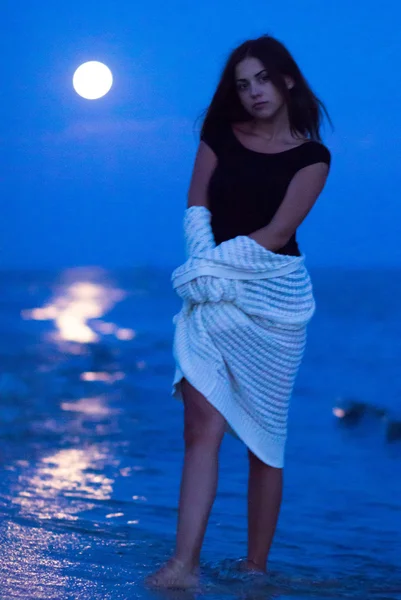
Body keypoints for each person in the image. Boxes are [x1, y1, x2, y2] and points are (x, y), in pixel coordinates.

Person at [147, 34, 332, 589]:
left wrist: (213, 271)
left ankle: (255, 568)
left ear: (287, 80)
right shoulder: (218, 136)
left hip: (273, 302)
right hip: (211, 297)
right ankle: (184, 565)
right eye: (242, 83)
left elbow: (278, 234)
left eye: (263, 80)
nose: (253, 92)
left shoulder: (313, 157)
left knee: (264, 441)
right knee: (201, 427)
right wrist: (203, 269)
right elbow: (196, 204)